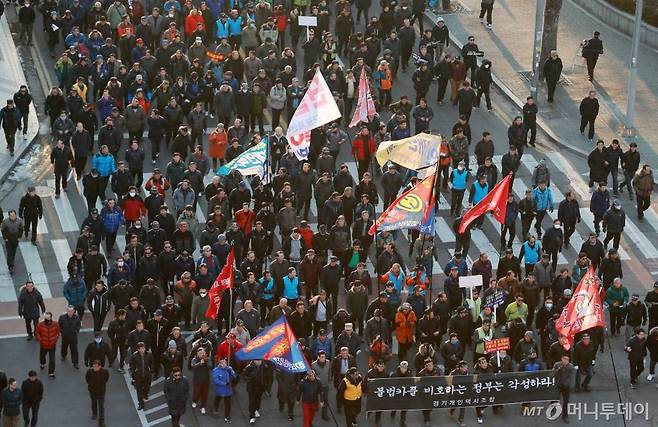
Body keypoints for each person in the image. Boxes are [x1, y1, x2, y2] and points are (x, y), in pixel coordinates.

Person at [128, 342, 153, 410]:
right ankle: (141, 404)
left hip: (147, 374)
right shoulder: (134, 356)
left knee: (147, 387)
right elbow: (131, 364)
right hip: (138, 375)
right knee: (139, 390)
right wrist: (134, 371)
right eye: (141, 348)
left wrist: (151, 370)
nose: (143, 350)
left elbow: (152, 363)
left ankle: (145, 394)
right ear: (138, 349)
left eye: (143, 348)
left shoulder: (149, 354)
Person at [35, 312, 60, 378]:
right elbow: (37, 333)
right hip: (44, 345)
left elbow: (57, 333)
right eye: (46, 318)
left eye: (48, 317)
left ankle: (51, 372)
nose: (47, 319)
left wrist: (55, 339)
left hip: (52, 345)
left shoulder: (55, 324)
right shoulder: (40, 325)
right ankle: (42, 363)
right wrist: (41, 340)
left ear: (51, 317)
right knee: (42, 356)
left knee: (52, 360)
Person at [85, 360, 109, 427]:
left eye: (96, 367)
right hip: (92, 391)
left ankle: (101, 421)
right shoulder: (89, 371)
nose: (94, 368)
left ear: (100, 367)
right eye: (93, 366)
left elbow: (106, 379)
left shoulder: (105, 372)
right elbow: (87, 379)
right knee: (94, 403)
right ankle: (94, 413)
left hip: (101, 391)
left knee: (101, 406)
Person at [212, 358, 237, 422]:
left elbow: (234, 377)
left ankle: (227, 416)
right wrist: (224, 383)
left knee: (228, 404)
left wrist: (231, 372)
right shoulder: (216, 370)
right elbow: (216, 380)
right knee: (218, 399)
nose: (224, 364)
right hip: (220, 389)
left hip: (227, 390)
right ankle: (215, 408)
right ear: (219, 364)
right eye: (222, 363)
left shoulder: (229, 369)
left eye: (225, 363)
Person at [553, 355, 575, 423]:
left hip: (565, 386)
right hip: (558, 385)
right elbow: (552, 373)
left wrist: (569, 385)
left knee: (566, 401)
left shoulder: (571, 367)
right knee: (555, 398)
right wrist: (558, 369)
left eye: (567, 360)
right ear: (561, 359)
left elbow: (572, 377)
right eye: (564, 359)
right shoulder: (557, 364)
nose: (565, 361)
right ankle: (553, 407)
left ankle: (565, 416)